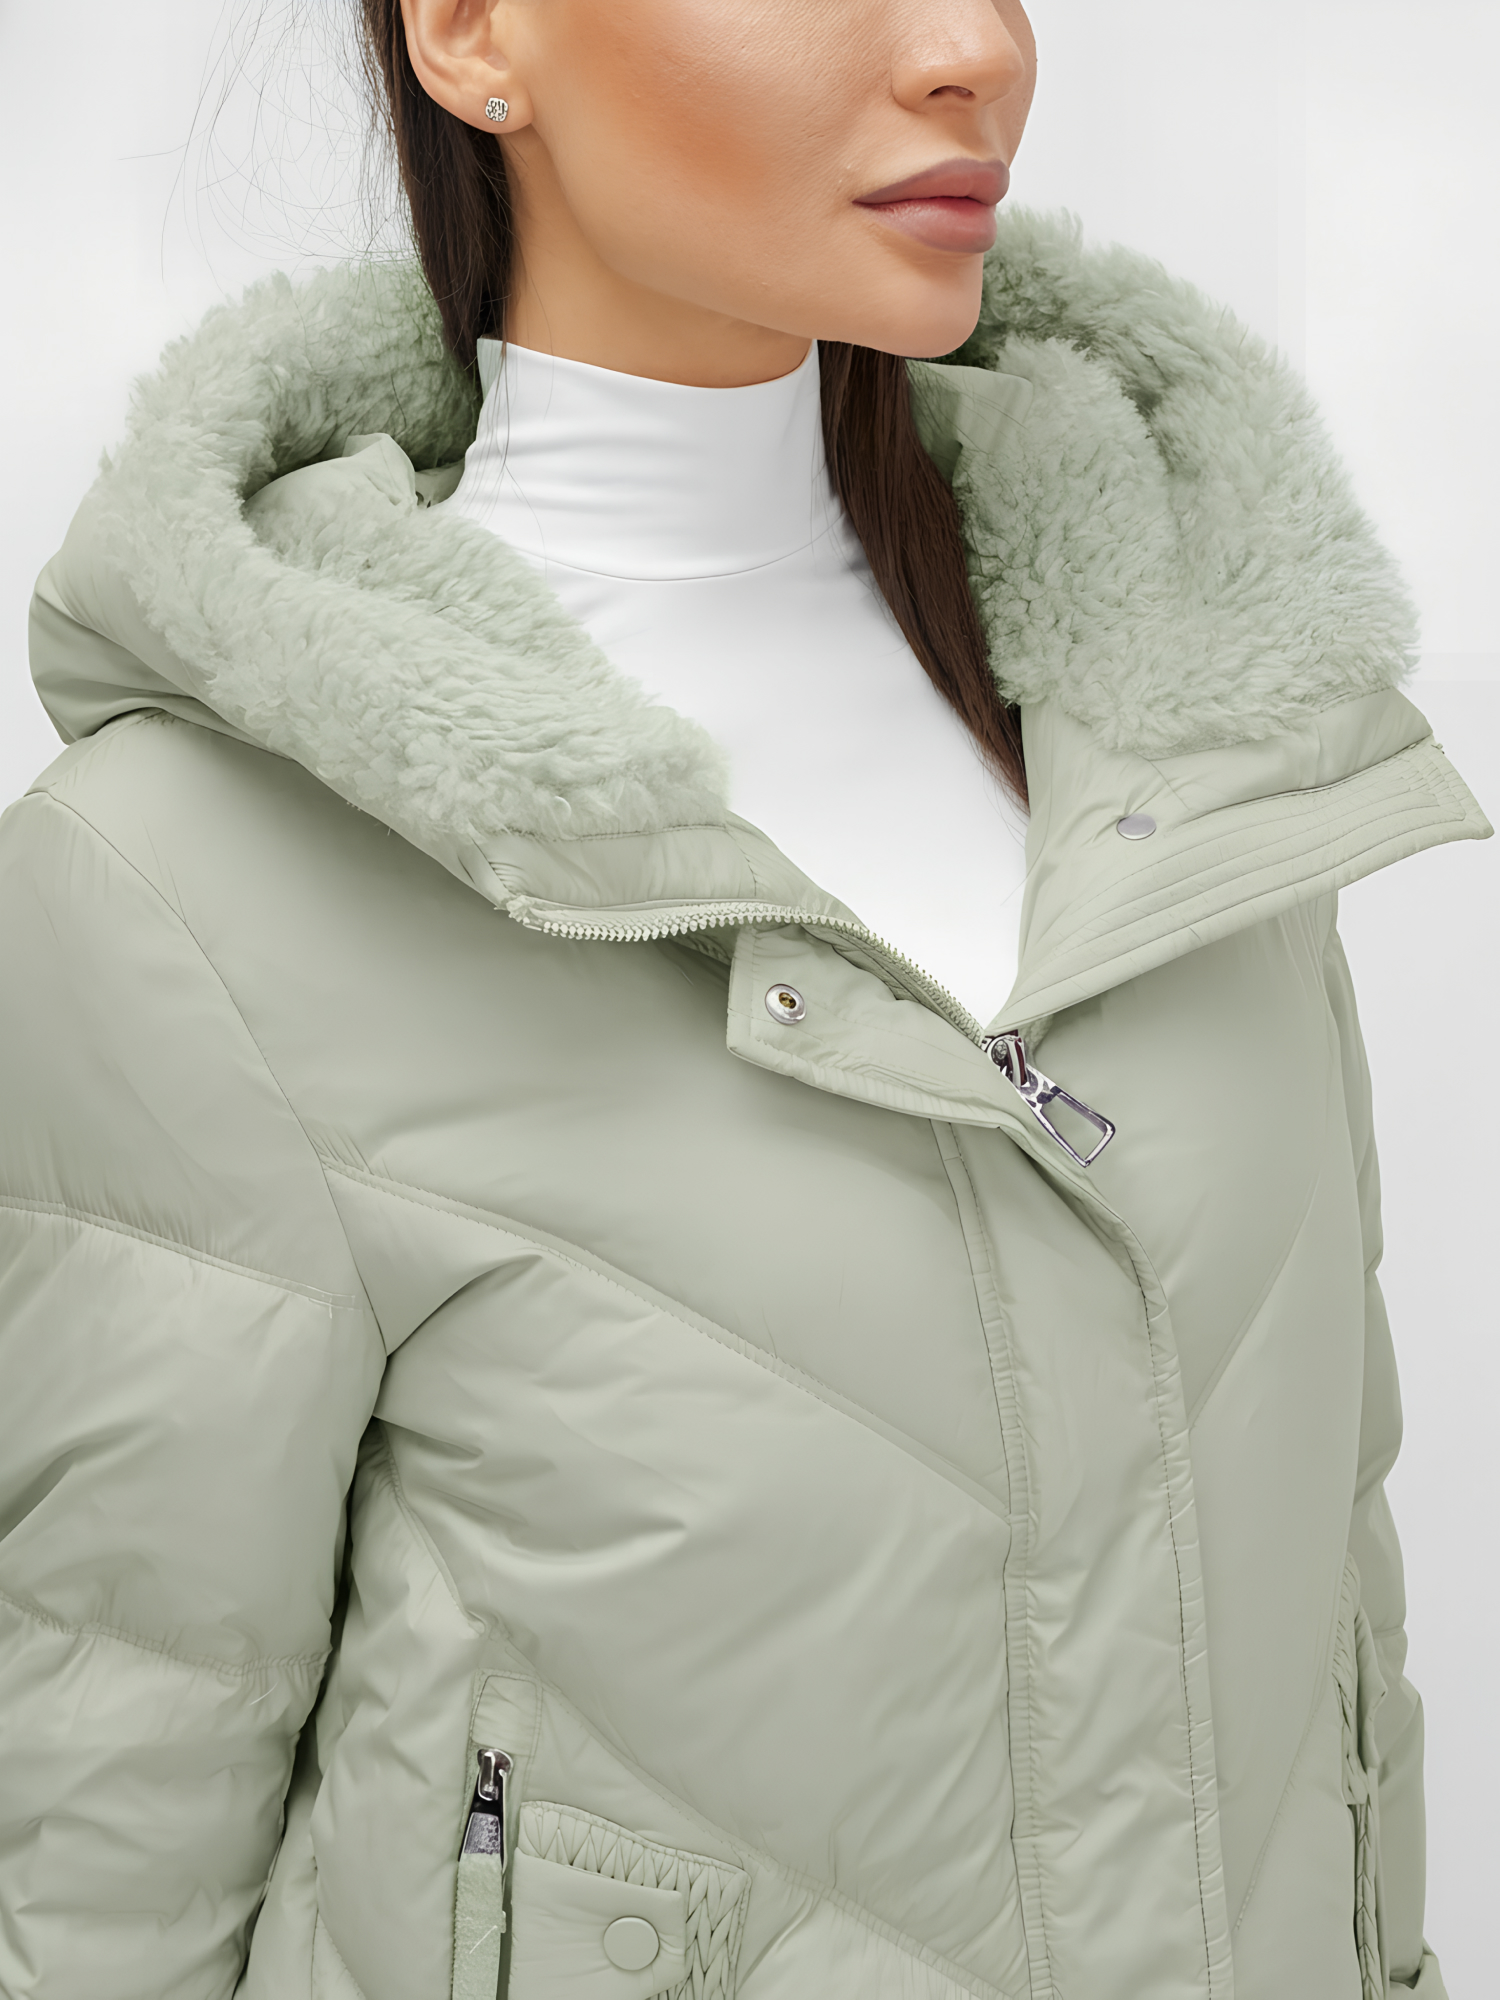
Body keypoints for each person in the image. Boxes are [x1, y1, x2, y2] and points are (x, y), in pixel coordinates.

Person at [0, 1, 1484, 1995]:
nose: (976, 49)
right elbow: (100, 1846)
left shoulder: (1201, 749)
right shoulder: (196, 884)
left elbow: (1337, 1653)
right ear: (471, 31)